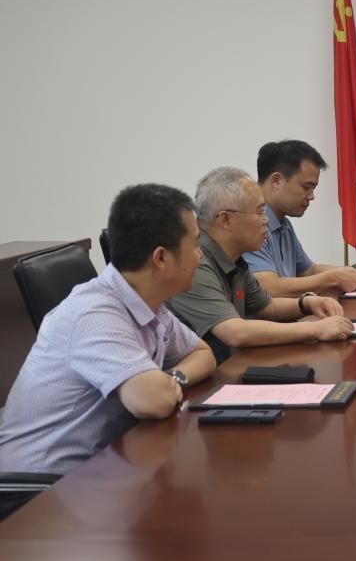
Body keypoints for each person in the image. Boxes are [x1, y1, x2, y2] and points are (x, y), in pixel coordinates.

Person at [0, 184, 217, 514]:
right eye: (196, 245)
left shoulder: (147, 302)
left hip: (100, 474)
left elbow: (203, 355)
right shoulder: (95, 314)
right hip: (38, 494)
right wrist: (162, 387)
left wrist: (172, 378)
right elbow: (153, 401)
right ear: (161, 258)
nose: (201, 256)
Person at [167, 167, 354, 364]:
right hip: (194, 379)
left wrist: (306, 303)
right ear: (226, 220)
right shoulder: (195, 262)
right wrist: (316, 329)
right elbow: (235, 332)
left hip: (228, 367)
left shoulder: (233, 258)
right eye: (260, 212)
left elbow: (267, 306)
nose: (266, 221)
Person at [244, 139, 356, 297]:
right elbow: (269, 289)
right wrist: (332, 278)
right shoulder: (249, 223)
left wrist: (355, 271)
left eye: (313, 188)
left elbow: (308, 270)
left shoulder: (282, 223)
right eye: (306, 187)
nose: (311, 196)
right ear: (276, 181)